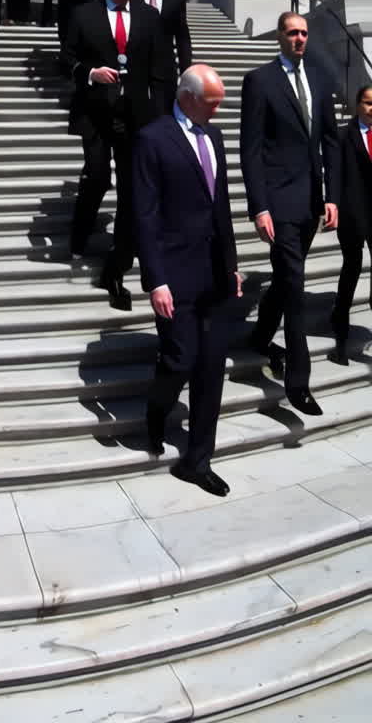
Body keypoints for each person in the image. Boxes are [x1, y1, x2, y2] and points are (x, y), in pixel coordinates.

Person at [133, 65, 241, 497]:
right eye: (213, 101)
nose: (218, 109)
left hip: (214, 273)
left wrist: (232, 264)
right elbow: (144, 215)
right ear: (187, 96)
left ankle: (197, 460)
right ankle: (155, 412)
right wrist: (155, 280)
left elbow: (222, 206)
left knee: (212, 368)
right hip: (175, 274)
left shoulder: (213, 137)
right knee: (179, 359)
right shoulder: (152, 139)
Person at [240, 11, 340, 414]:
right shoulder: (260, 81)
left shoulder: (319, 78)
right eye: (291, 33)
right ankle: (299, 383)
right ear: (279, 37)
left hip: (312, 201)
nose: (299, 39)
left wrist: (332, 195)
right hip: (279, 203)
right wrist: (258, 206)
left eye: (303, 33)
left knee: (285, 279)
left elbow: (331, 141)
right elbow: (250, 149)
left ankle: (261, 334)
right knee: (294, 289)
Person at [62, 0, 166, 305]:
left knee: (133, 194)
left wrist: (162, 116)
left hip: (133, 115)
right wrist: (91, 73)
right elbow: (66, 58)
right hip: (95, 112)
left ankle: (115, 271)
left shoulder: (148, 17)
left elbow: (161, 68)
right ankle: (81, 227)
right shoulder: (83, 14)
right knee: (97, 175)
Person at [329, 84, 372, 365]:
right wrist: (333, 205)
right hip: (353, 215)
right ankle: (340, 329)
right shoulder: (344, 134)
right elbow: (334, 173)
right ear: (357, 105)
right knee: (352, 267)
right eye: (367, 103)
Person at [132, 0, 192, 111]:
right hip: (141, 69)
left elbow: (182, 35)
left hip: (166, 68)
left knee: (166, 114)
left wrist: (185, 70)